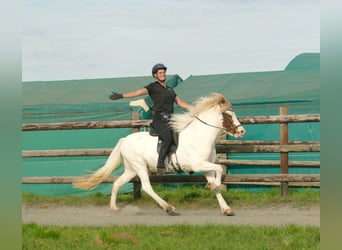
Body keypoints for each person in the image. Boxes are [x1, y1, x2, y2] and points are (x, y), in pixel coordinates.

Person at [109, 63, 191, 174]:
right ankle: (160, 165)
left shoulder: (170, 90)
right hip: (159, 119)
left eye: (163, 72)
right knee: (167, 138)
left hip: (171, 119)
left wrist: (196, 109)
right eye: (160, 73)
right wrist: (122, 95)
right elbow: (138, 92)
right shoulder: (153, 87)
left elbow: (180, 102)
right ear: (155, 75)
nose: (162, 74)